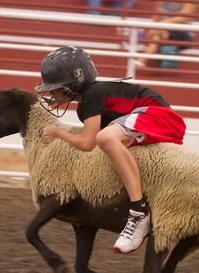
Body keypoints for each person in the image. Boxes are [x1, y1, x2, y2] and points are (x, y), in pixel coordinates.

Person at [35, 46, 186, 254]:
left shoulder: (92, 95)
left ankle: (138, 212)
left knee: (105, 137)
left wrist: (59, 133)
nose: (51, 93)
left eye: (55, 88)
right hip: (153, 120)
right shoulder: (86, 104)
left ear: (72, 85)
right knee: (109, 145)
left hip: (159, 117)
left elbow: (88, 143)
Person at [136, 0, 196, 67]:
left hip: (182, 33)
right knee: (161, 33)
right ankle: (142, 60)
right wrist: (156, 27)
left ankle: (142, 59)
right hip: (162, 30)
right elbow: (155, 16)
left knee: (161, 33)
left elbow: (182, 19)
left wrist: (161, 25)